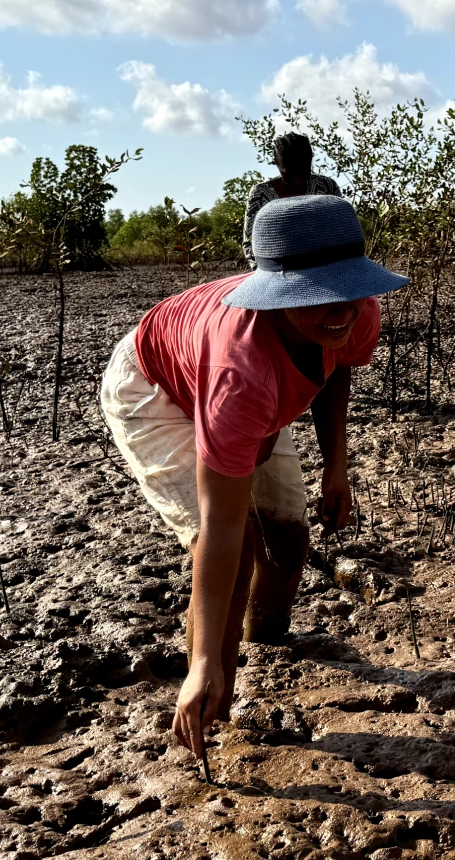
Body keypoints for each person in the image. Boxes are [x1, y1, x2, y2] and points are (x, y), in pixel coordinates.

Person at [99, 194, 408, 763]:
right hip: (155, 387)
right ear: (280, 296)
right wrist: (201, 664)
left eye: (348, 289)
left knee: (288, 541)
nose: (338, 310)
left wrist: (335, 467)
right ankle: (213, 701)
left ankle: (262, 641)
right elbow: (220, 524)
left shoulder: (354, 311)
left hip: (252, 383)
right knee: (234, 544)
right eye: (317, 296)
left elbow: (336, 364)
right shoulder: (239, 373)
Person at [242, 132, 341, 265]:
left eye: (304, 171)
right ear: (276, 163)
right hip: (275, 272)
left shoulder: (326, 187)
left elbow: (342, 232)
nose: (298, 181)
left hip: (327, 267)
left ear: (310, 160)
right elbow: (250, 243)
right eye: (289, 174)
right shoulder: (260, 194)